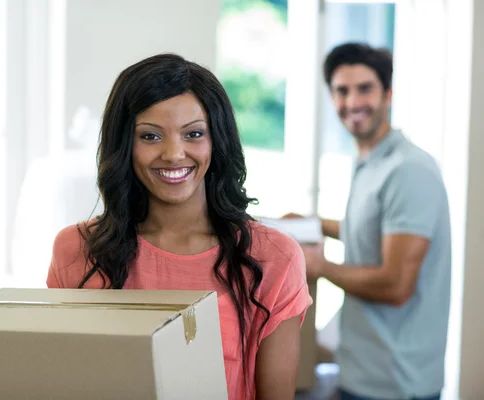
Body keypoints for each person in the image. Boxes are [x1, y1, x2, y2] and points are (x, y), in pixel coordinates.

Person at [46, 53, 313, 400]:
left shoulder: (273, 257)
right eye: (151, 136)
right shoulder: (76, 249)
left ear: (217, 141)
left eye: (194, 134)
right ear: (125, 145)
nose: (174, 153)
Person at [288, 43, 451, 400]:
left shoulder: (408, 169)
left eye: (365, 88)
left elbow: (395, 284)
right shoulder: (371, 163)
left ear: (388, 94)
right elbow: (371, 233)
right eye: (341, 91)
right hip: (362, 369)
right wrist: (314, 223)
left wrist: (317, 265)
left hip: (395, 383)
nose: (352, 102)